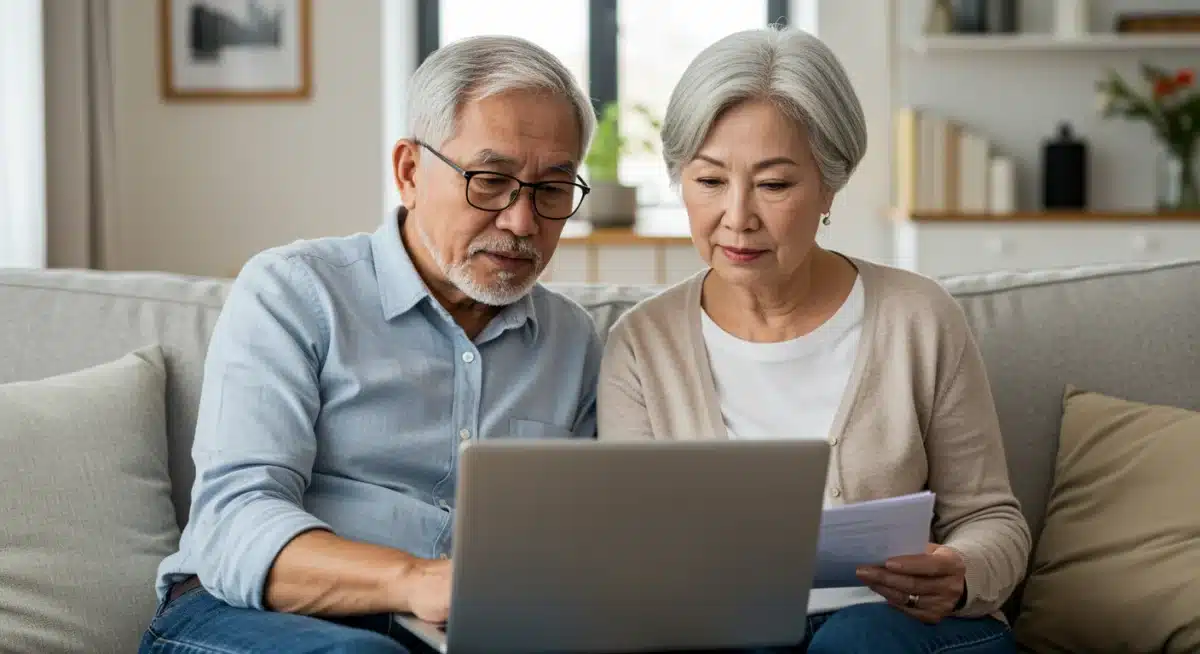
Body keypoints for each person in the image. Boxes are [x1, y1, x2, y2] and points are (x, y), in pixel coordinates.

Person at [138, 35, 602, 654]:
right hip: (245, 615)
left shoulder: (572, 342)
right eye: (490, 181)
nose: (522, 223)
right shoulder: (296, 292)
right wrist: (414, 581)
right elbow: (234, 521)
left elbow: (595, 537)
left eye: (551, 190)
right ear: (410, 171)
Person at [597, 26, 1032, 654]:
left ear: (831, 183)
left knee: (856, 640)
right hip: (733, 629)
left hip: (898, 629)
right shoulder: (641, 344)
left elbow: (992, 520)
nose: (737, 216)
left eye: (774, 185)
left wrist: (961, 572)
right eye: (710, 181)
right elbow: (634, 548)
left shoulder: (918, 316)